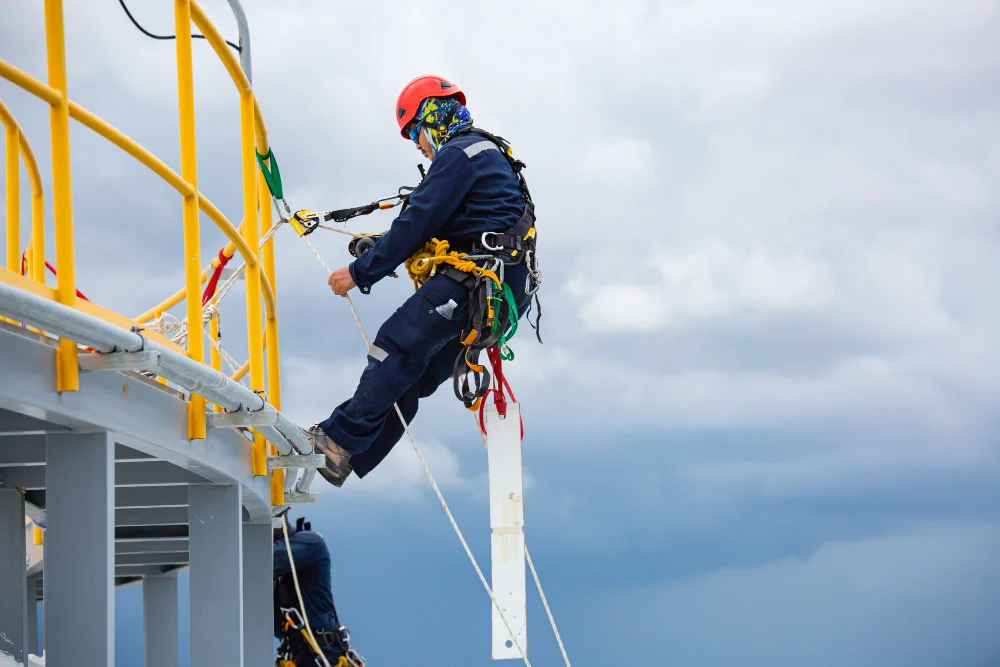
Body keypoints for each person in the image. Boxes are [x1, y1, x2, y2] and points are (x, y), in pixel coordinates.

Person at [305, 75, 536, 486]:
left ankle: (336, 442)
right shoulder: (488, 153)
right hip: (503, 292)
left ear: (432, 117)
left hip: (476, 281)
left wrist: (359, 273)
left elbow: (417, 222)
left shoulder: (459, 153)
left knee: (394, 346)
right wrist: (378, 245)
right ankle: (346, 457)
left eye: (415, 131)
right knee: (410, 377)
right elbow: (441, 227)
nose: (417, 144)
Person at [274, 516, 360, 666]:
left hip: (323, 656)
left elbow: (262, 557)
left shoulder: (310, 543)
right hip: (298, 656)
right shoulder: (274, 572)